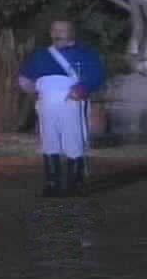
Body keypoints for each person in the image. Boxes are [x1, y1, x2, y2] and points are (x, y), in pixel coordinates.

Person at [18, 20, 105, 197]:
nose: (58, 34)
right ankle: (52, 183)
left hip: (71, 102)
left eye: (63, 31)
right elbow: (26, 77)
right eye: (55, 30)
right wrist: (30, 87)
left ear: (71, 32)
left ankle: (75, 184)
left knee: (74, 141)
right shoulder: (41, 54)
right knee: (49, 142)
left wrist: (81, 89)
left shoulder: (85, 54)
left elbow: (97, 75)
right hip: (46, 103)